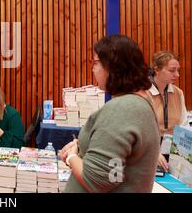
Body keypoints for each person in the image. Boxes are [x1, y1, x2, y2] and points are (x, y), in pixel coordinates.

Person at [59, 35, 160, 193]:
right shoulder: (140, 101)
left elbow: (97, 180)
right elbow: (115, 160)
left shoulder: (122, 108)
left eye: (95, 63)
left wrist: (71, 157)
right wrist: (81, 146)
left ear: (112, 66)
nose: (93, 69)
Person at [146, 51, 189, 172]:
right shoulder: (144, 93)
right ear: (157, 69)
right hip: (148, 151)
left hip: (172, 150)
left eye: (178, 70)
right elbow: (140, 131)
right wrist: (154, 153)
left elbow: (183, 125)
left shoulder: (178, 93)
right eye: (172, 70)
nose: (177, 74)